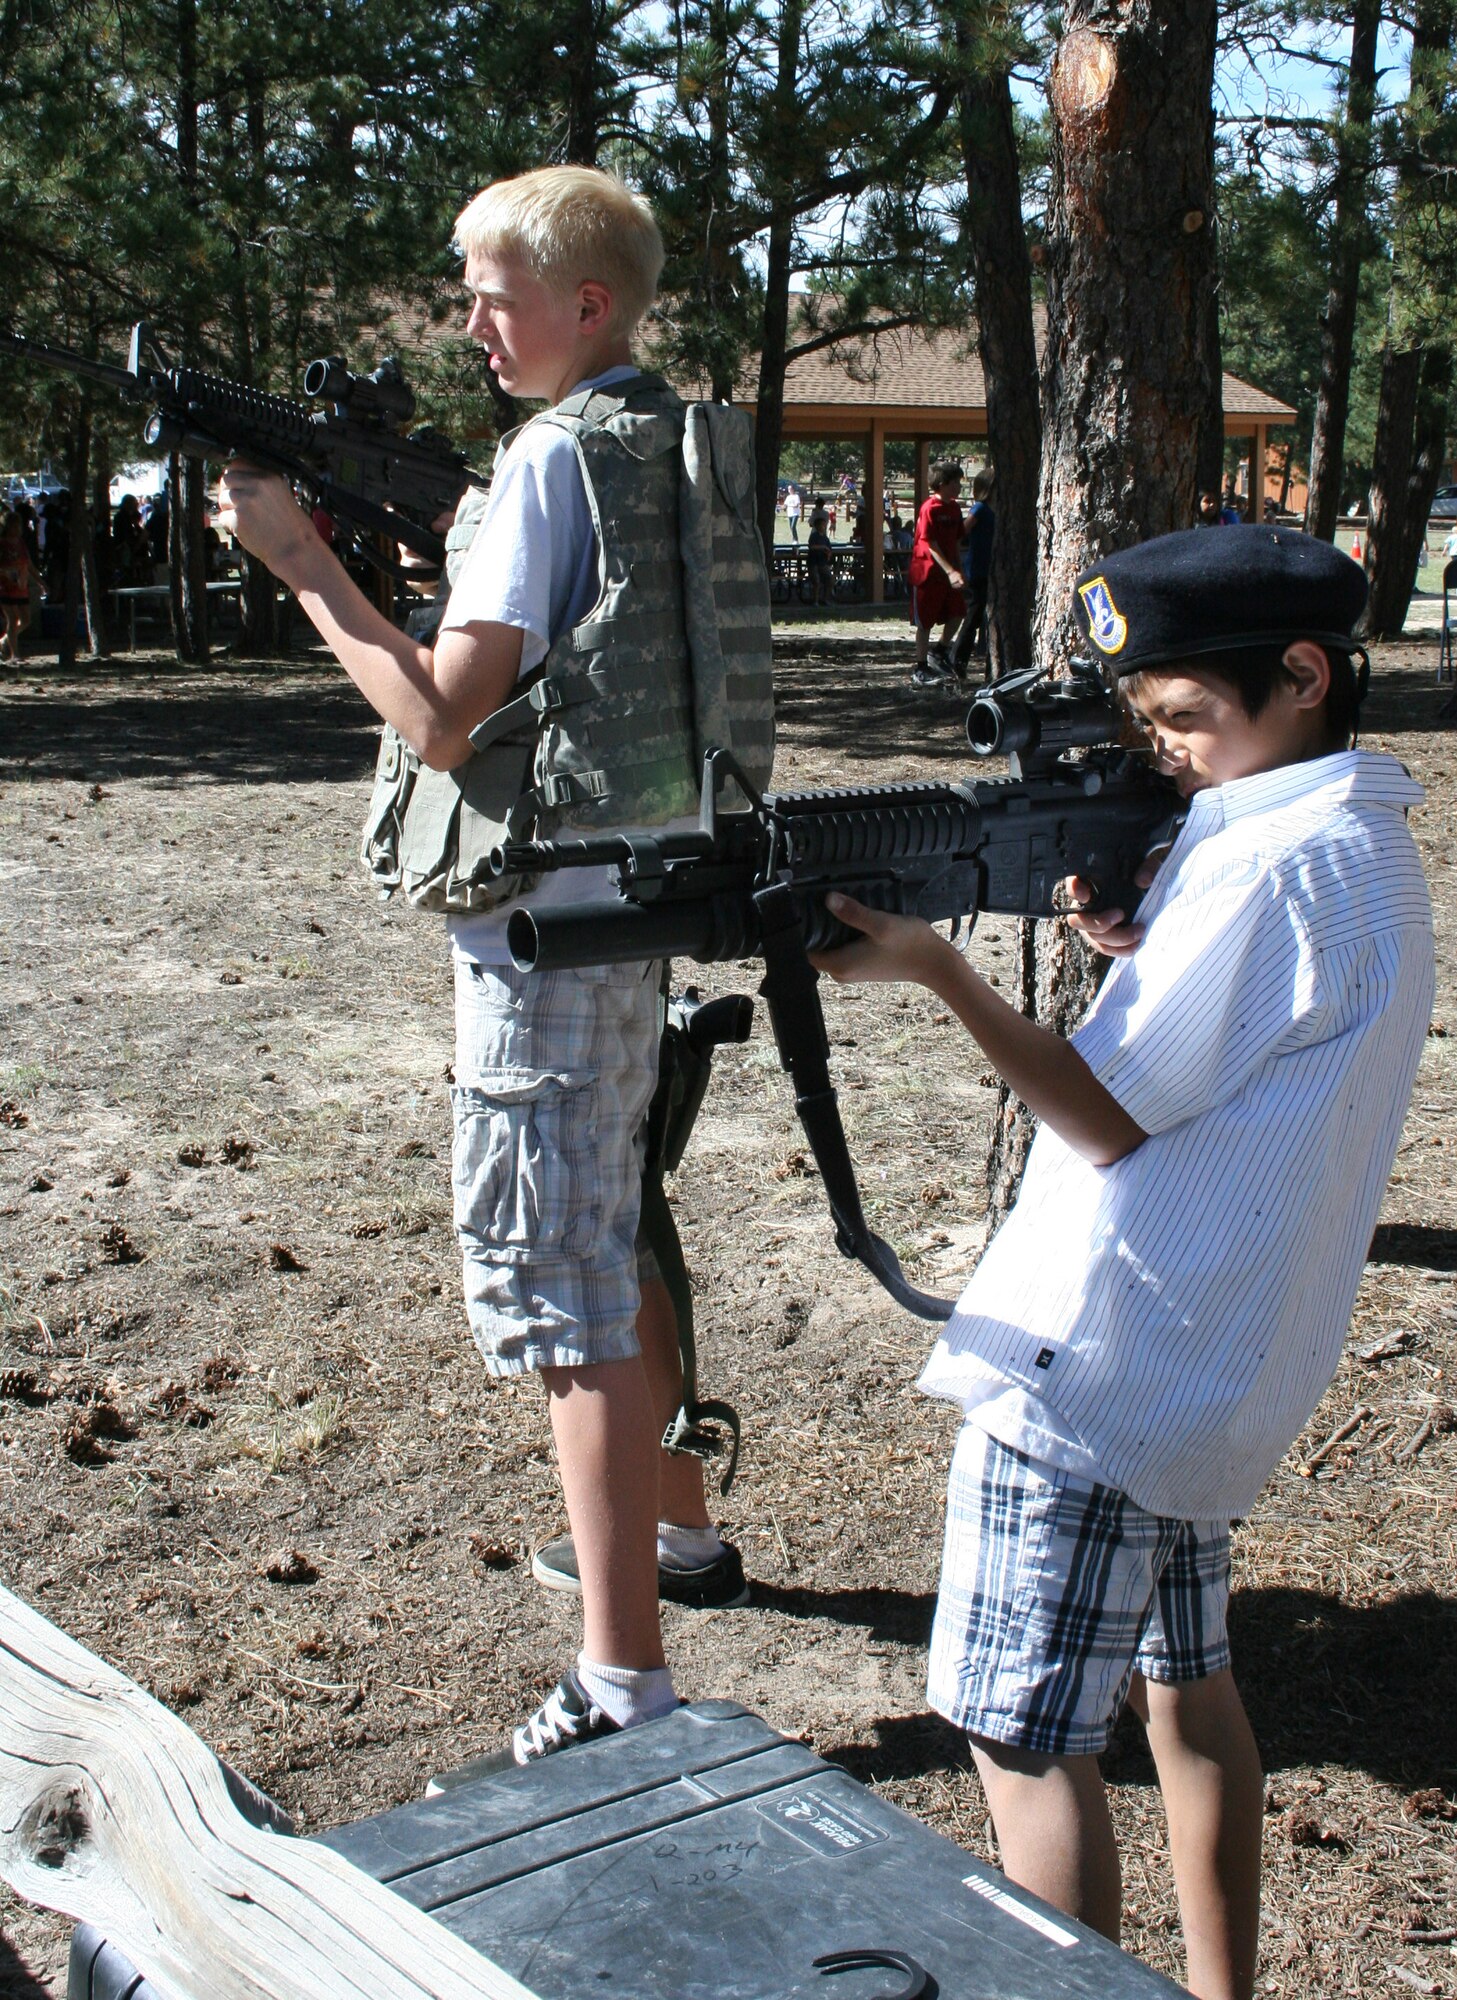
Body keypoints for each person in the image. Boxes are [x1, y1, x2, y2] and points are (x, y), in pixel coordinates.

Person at [810, 525, 1434, 2000]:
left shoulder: (1270, 865)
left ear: (1300, 675)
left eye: (1184, 718)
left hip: (1095, 1373)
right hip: (1207, 1372)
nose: (1162, 750)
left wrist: (938, 967)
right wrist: (1129, 951)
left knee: (1022, 1741)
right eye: (1144, 722)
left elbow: (1098, 1114)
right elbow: (1235, 1053)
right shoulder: (1356, 847)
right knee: (1188, 1695)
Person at [218, 164, 761, 1777]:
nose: (468, 319)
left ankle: (618, 1680)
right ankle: (671, 1537)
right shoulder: (666, 435)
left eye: (489, 290)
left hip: (546, 926)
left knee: (565, 1293)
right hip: (645, 891)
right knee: (617, 1226)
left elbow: (443, 720)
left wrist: (301, 559)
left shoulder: (542, 465)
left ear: (583, 303)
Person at [908, 462, 964, 683]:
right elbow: (931, 543)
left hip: (949, 575)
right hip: (928, 573)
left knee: (959, 612)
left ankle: (939, 651)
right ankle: (920, 668)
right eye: (955, 483)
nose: (959, 487)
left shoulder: (955, 508)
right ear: (941, 485)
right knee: (925, 622)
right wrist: (950, 571)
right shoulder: (929, 508)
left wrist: (959, 569)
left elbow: (957, 540)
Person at [952, 469, 995, 677]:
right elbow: (961, 532)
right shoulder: (980, 509)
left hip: (991, 569)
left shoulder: (996, 510)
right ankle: (957, 661)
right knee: (973, 617)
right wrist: (957, 562)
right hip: (977, 569)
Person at [0, 507, 32, 661]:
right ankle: (15, 654)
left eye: (19, 525)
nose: (18, 528)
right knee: (12, 619)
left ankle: (4, 640)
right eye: (15, 525)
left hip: (21, 586)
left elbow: (28, 564)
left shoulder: (21, 543)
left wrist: (41, 582)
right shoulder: (2, 543)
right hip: (5, 586)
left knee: (26, 620)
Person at [806, 506, 833, 605]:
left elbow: (829, 549)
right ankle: (815, 601)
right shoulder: (813, 536)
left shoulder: (825, 538)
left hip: (823, 562)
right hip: (813, 562)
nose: (824, 527)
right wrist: (822, 548)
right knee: (816, 581)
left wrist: (829, 554)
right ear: (817, 526)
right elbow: (812, 547)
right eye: (822, 525)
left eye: (824, 525)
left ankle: (825, 599)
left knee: (830, 579)